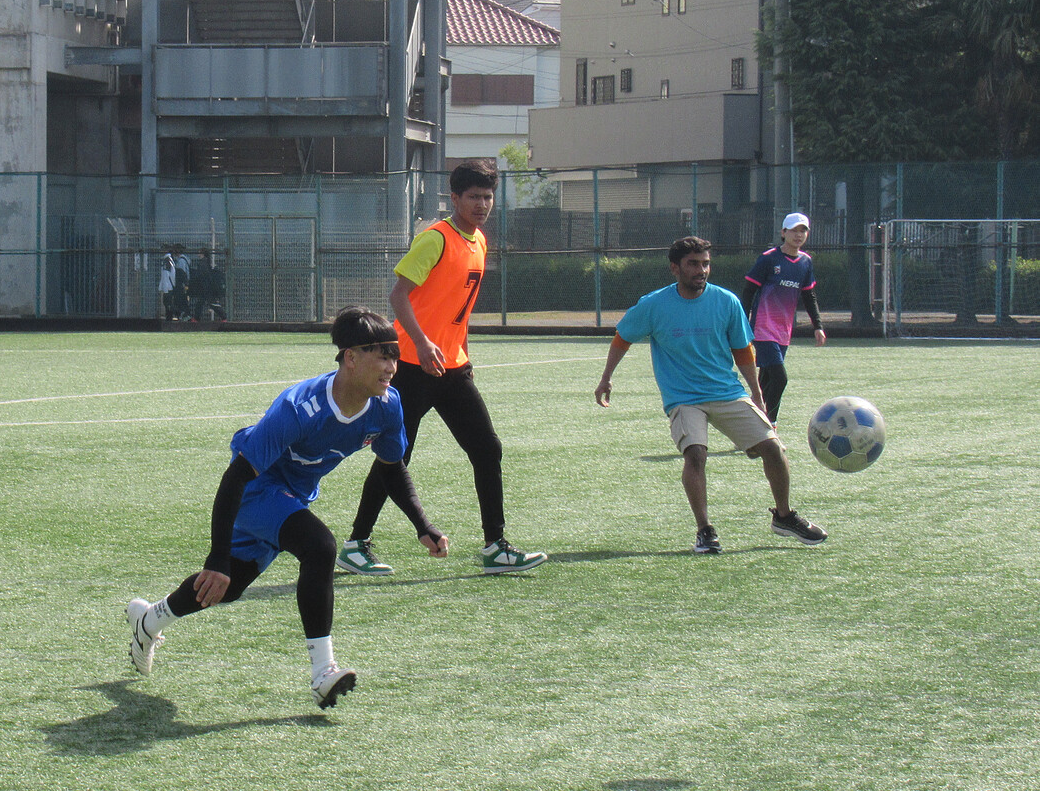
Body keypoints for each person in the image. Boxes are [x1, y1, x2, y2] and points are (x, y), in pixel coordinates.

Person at [124, 307, 448, 709]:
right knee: (320, 546)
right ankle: (323, 672)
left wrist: (422, 524)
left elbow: (391, 468)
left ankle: (149, 620)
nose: (391, 367)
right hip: (256, 489)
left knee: (231, 585)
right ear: (350, 357)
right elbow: (235, 478)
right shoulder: (299, 407)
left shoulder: (387, 405)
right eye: (382, 356)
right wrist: (216, 556)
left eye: (394, 356)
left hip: (292, 496)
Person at [344, 160, 545, 577]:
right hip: (411, 367)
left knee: (487, 449)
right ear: (454, 198)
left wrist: (464, 355)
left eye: (487, 197)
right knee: (395, 455)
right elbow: (399, 295)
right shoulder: (435, 238)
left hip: (452, 369)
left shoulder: (480, 241)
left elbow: (458, 309)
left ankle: (496, 547)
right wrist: (421, 342)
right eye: (473, 197)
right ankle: (356, 544)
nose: (482, 204)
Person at [593, 235, 827, 555]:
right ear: (675, 268)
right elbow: (623, 337)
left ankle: (784, 517)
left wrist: (756, 395)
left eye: (705, 264)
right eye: (693, 264)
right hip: (683, 398)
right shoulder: (653, 304)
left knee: (773, 448)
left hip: (727, 392)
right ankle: (705, 530)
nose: (701, 270)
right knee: (696, 454)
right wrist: (606, 378)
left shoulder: (726, 301)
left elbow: (742, 350)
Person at [741, 212, 826, 426]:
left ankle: (751, 423)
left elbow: (809, 295)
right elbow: (749, 291)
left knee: (766, 380)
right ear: (783, 232)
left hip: (783, 331)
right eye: (794, 230)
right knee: (780, 378)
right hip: (763, 329)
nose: (799, 235)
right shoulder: (769, 259)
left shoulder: (805, 262)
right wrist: (741, 322)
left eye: (803, 230)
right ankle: (770, 424)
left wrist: (818, 326)